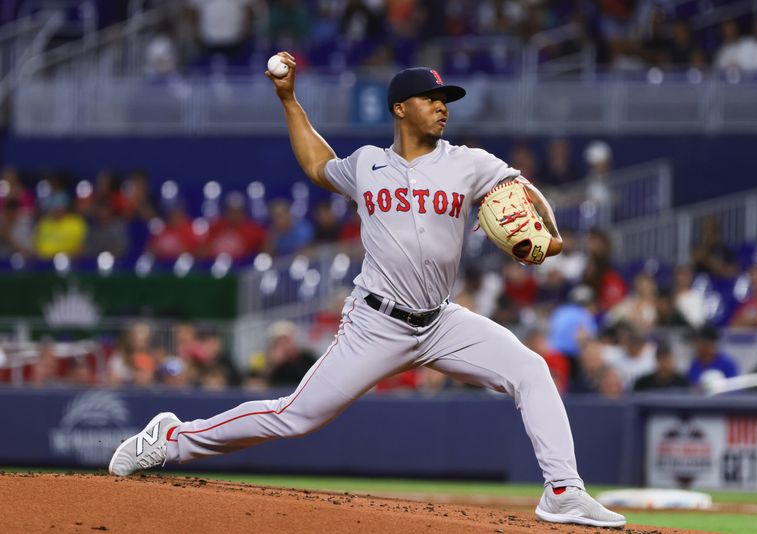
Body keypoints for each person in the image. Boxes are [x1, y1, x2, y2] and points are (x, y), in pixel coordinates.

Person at [108, 56, 625, 528]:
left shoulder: (469, 162)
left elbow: (528, 193)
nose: (442, 109)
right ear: (401, 108)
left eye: (446, 101)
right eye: (432, 100)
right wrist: (289, 100)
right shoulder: (366, 164)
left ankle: (563, 490)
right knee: (295, 417)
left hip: (442, 322)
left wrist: (551, 237)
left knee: (530, 369)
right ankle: (172, 439)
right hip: (375, 323)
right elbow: (316, 164)